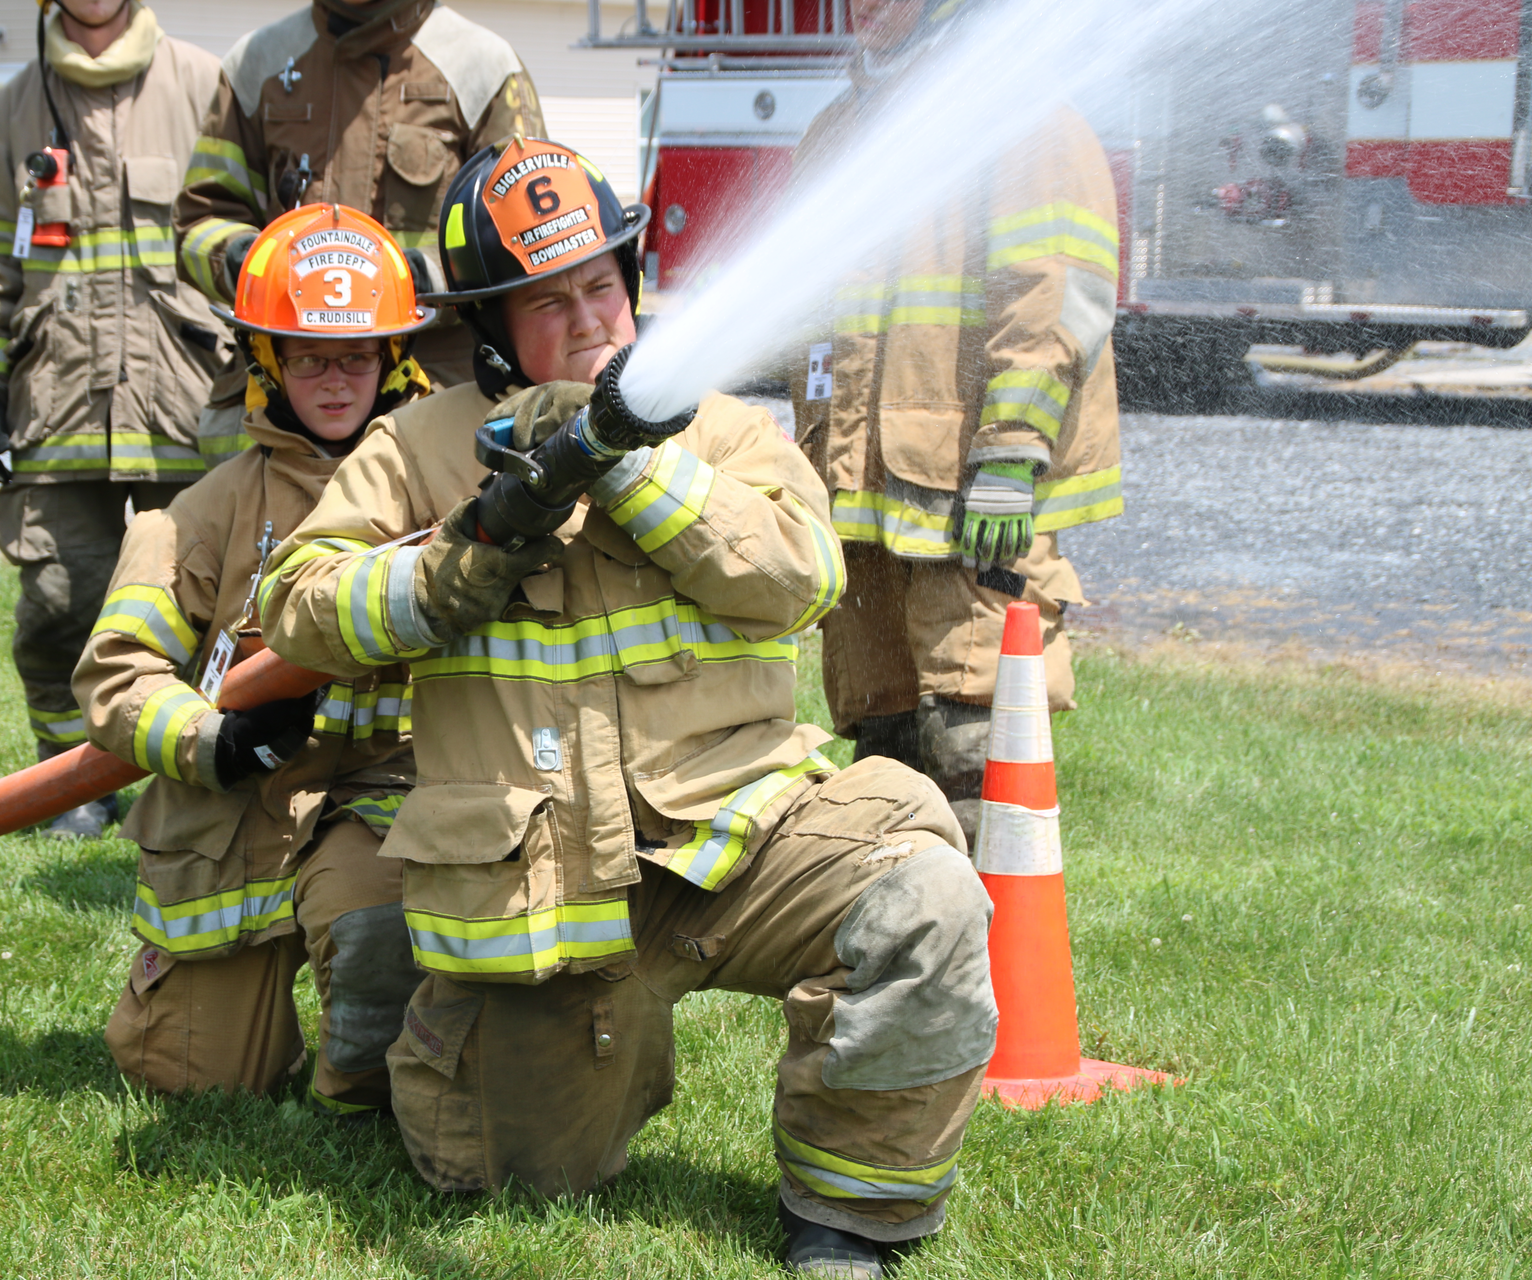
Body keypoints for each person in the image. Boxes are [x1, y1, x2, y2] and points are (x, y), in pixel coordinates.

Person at [258, 139, 997, 1277]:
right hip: (544, 887)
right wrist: (467, 552)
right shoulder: (413, 450)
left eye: (601, 281)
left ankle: (850, 1217)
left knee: (924, 891)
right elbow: (298, 608)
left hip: (740, 840)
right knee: (507, 1176)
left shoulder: (721, 426)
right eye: (549, 301)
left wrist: (625, 465)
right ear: (491, 329)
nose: (590, 316)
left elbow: (802, 577)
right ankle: (432, 1017)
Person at [76, 204, 433, 1111]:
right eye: (307, 355)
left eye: (356, 355)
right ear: (265, 359)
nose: (335, 379)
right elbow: (117, 676)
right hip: (239, 821)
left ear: (393, 358)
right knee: (196, 1084)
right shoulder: (204, 513)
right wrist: (212, 742)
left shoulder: (448, 477)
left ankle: (368, 1093)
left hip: (391, 794)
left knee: (373, 931)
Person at [790, 0, 1124, 842]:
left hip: (972, 508)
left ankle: (995, 960)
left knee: (972, 738)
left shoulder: (1014, 113)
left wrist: (1012, 455)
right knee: (882, 752)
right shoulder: (839, 129)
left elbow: (1053, 299)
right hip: (861, 512)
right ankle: (899, 956)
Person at [0, 0, 229, 838]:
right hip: (57, 402)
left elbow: (241, 237)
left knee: (198, 602)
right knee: (55, 604)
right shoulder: (11, 108)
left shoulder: (206, 84)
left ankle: (186, 766)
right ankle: (68, 783)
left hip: (188, 400)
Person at [173, 0, 546, 461]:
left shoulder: (482, 68)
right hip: (279, 421)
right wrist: (254, 267)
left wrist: (414, 283)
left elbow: (527, 241)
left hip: (431, 412)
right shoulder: (259, 62)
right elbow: (198, 223)